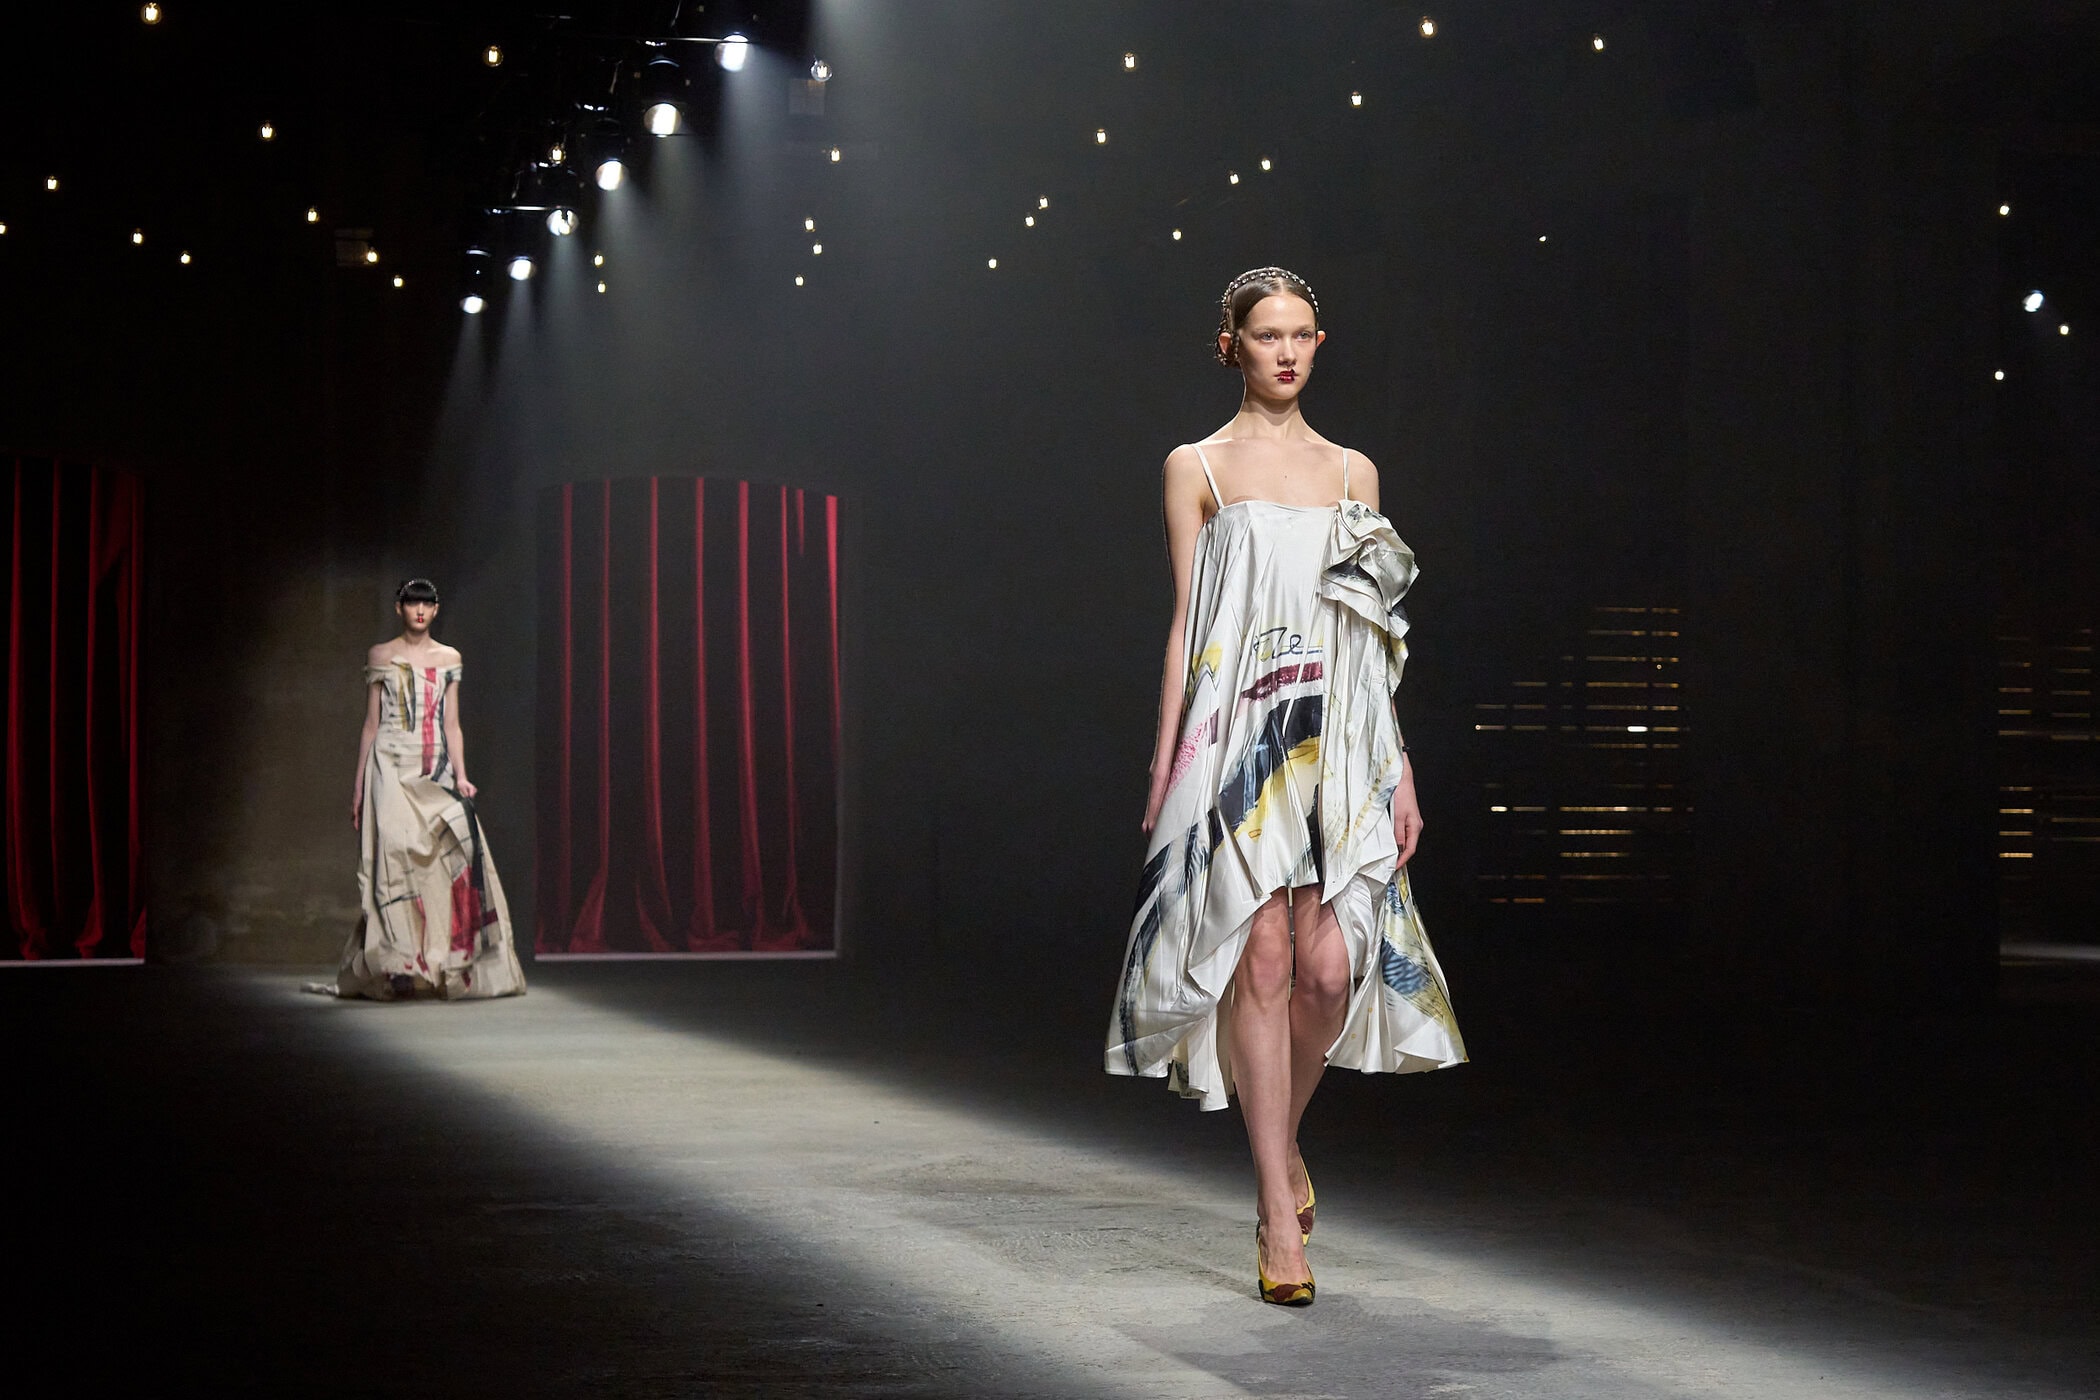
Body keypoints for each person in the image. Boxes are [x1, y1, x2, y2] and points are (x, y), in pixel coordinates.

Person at [1105, 268, 1465, 1305]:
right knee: (1260, 954)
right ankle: (1275, 1213)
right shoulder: (1197, 467)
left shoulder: (1354, 471)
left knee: (1329, 972)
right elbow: (1186, 624)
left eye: (1302, 333)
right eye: (1268, 335)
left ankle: (1285, 1142)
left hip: (1340, 738)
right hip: (1237, 734)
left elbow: (1371, 632)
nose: (1288, 351)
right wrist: (1165, 758)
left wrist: (1398, 765)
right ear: (1232, 346)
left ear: (1319, 342)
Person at [307, 579, 525, 1001]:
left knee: (443, 858)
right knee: (391, 856)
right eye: (412, 603)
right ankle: (396, 965)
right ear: (399, 609)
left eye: (427, 603)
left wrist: (461, 775)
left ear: (436, 609)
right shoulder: (380, 656)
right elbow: (370, 724)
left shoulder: (449, 658)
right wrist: (359, 786)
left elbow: (452, 724)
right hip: (388, 763)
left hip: (433, 764)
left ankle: (436, 962)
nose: (420, 610)